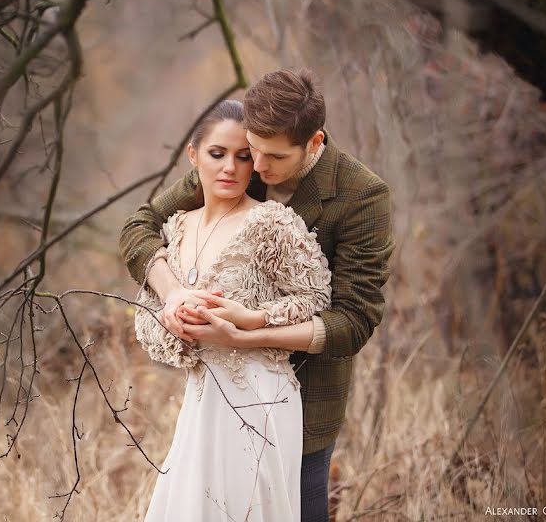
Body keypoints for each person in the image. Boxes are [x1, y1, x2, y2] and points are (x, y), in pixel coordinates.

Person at [121, 69, 394, 522]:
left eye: (272, 157)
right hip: (214, 396)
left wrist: (247, 334)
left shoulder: (361, 197)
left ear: (314, 142)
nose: (255, 168)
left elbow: (354, 322)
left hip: (305, 396)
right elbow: (140, 226)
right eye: (251, 150)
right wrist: (172, 294)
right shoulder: (238, 162)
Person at [134, 98, 331, 521]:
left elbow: (315, 301)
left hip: (261, 391)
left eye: (244, 157)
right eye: (217, 154)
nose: (230, 168)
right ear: (194, 155)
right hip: (201, 395)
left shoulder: (272, 224)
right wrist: (175, 322)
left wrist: (250, 319)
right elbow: (145, 316)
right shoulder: (177, 227)